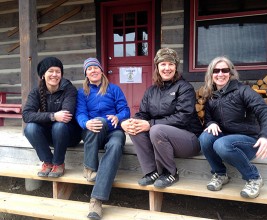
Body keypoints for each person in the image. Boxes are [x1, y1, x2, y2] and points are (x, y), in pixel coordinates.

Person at [121, 48, 203, 189]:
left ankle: (170, 172)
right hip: (161, 140)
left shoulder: (184, 88)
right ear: (157, 67)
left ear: (176, 67)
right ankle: (151, 172)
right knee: (136, 128)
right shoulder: (151, 91)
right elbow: (143, 114)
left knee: (156, 129)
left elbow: (183, 117)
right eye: (163, 64)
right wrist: (130, 122)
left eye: (170, 64)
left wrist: (151, 124)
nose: (167, 68)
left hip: (189, 140)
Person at [199, 56, 267, 199]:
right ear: (211, 74)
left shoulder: (243, 91)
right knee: (204, 138)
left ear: (231, 73)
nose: (220, 74)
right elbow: (208, 119)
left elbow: (265, 112)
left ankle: (254, 178)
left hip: (248, 141)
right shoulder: (211, 97)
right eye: (216, 70)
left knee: (221, 143)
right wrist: (212, 123)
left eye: (225, 70)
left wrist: (266, 136)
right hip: (226, 141)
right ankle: (220, 174)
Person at [76, 57, 130, 220]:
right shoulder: (82, 92)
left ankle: (96, 201)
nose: (93, 71)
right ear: (86, 73)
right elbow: (80, 113)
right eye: (89, 69)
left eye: (95, 68)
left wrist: (118, 117)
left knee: (115, 145)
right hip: (93, 133)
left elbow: (125, 109)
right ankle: (90, 167)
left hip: (114, 131)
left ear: (101, 70)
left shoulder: (114, 89)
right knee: (96, 122)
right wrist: (86, 123)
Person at [23, 56, 82, 178]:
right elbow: (27, 115)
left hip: (68, 135)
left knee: (59, 126)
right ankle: (48, 162)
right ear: (43, 74)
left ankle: (59, 163)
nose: (55, 74)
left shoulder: (69, 90)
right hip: (49, 136)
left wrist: (51, 118)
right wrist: (53, 116)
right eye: (51, 71)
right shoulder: (36, 92)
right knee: (30, 128)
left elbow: (66, 115)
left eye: (58, 71)